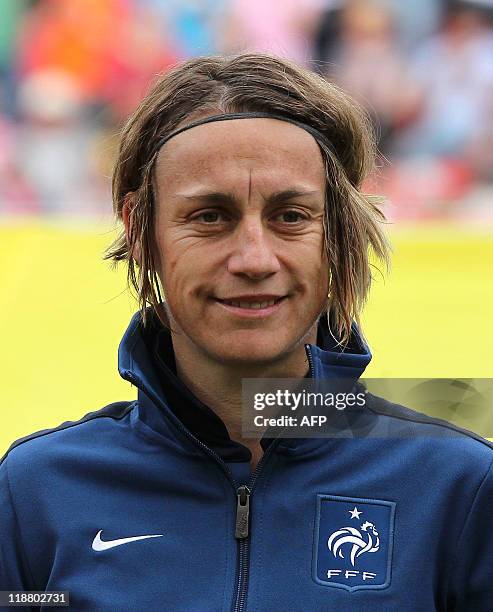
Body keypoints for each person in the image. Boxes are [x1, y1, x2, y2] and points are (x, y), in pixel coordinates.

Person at [1, 52, 492, 611]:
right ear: (140, 231)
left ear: (338, 234)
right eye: (210, 217)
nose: (254, 259)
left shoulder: (458, 487)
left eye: (291, 216)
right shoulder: (37, 492)